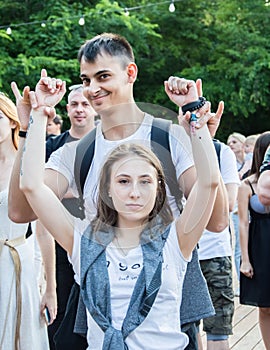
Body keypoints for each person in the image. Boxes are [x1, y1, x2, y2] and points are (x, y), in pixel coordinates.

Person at [8, 33, 228, 349]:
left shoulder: (171, 137)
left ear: (130, 73)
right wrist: (31, 127)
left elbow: (217, 219)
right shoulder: (76, 153)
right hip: (101, 297)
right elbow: (21, 207)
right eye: (86, 79)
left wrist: (198, 129)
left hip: (167, 300)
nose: (93, 88)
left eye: (103, 76)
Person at [40, 84, 96, 349]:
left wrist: (64, 192)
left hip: (99, 244)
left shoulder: (109, 144)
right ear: (67, 108)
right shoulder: (53, 147)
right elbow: (37, 194)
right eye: (74, 104)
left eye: (85, 104)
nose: (80, 109)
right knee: (60, 319)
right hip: (60, 245)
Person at [0, 92, 49, 349]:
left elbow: (43, 230)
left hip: (19, 258)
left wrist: (49, 286)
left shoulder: (27, 161)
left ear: (11, 121)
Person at [198, 140, 240, 350]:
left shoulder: (220, 151)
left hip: (214, 251)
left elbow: (230, 203)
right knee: (184, 327)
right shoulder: (173, 146)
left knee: (218, 328)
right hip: (180, 254)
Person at [238, 131, 270, 350]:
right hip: (260, 247)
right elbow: (242, 223)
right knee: (265, 306)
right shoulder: (247, 185)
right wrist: (245, 260)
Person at [227, 131, 246, 295]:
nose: (230, 145)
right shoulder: (230, 162)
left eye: (234, 142)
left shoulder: (250, 160)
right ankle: (241, 282)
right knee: (238, 245)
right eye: (229, 142)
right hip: (236, 210)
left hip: (251, 208)